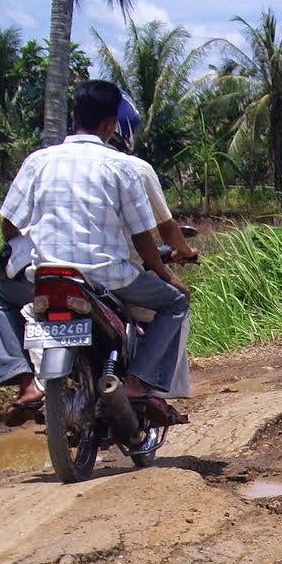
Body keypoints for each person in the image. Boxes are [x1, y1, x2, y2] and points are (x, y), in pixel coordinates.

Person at [0, 79, 191, 423]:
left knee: (3, 296)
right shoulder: (123, 166)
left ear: (73, 115)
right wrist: (167, 275)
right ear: (111, 124)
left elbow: (9, 224)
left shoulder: (38, 161)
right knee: (175, 302)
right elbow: (144, 240)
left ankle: (25, 382)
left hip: (46, 276)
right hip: (107, 278)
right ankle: (138, 382)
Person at [107, 93, 197, 398]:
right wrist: (182, 254)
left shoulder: (49, 162)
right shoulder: (135, 168)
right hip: (115, 274)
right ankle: (150, 388)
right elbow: (160, 230)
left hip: (49, 270)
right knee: (177, 301)